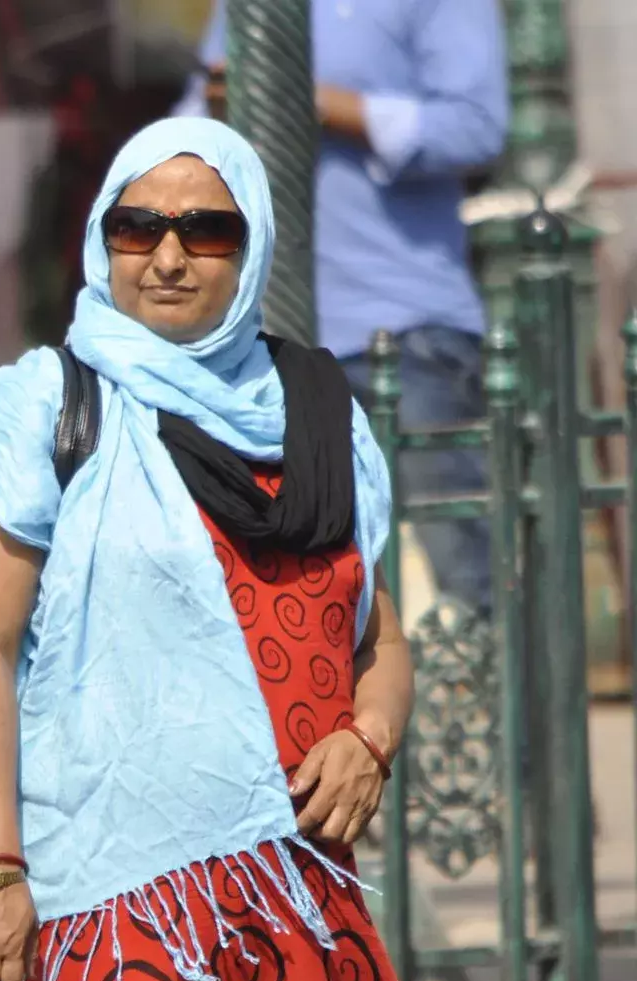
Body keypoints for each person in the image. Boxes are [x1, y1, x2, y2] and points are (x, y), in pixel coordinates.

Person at [0, 118, 471, 981]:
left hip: (300, 923)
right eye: (138, 226)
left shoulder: (321, 407)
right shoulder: (49, 404)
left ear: (252, 245)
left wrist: (370, 731)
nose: (168, 257)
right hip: (118, 927)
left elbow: (381, 636)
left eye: (205, 229)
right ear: (100, 237)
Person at [177, 0, 508, 614]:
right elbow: (182, 135)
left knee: (463, 590)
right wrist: (225, 110)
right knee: (288, 586)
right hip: (262, 344)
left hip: (406, 335)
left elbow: (478, 126)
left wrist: (331, 107)